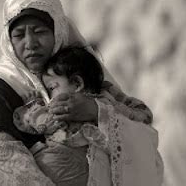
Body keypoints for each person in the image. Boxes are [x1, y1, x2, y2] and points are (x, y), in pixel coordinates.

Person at [0, 0, 163, 186]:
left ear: (58, 31)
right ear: (9, 40)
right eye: (19, 35)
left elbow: (141, 124)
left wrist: (96, 110)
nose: (30, 43)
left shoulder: (78, 69)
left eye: (39, 31)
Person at [13, 45, 153, 185]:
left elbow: (144, 116)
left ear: (77, 83)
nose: (50, 98)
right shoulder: (108, 100)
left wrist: (99, 110)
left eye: (52, 88)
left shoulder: (107, 96)